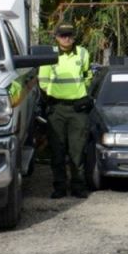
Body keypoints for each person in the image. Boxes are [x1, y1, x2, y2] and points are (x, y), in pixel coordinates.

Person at [39, 23, 93, 199]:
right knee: (58, 150)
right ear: (56, 37)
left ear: (74, 37)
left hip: (78, 109)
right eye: (63, 35)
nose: (66, 38)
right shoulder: (49, 55)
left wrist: (80, 94)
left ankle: (78, 186)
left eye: (69, 35)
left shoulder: (83, 53)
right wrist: (55, 95)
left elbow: (87, 76)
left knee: (78, 151)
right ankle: (60, 187)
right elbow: (43, 81)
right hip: (57, 109)